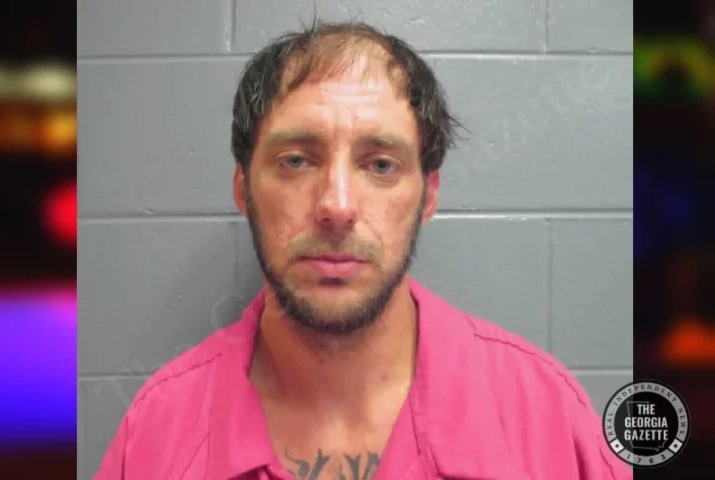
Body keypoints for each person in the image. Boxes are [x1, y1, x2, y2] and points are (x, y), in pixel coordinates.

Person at [95, 20, 632, 480]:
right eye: (296, 160)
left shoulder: (546, 415)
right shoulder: (156, 431)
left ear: (428, 197)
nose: (337, 206)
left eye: (380, 164)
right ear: (243, 190)